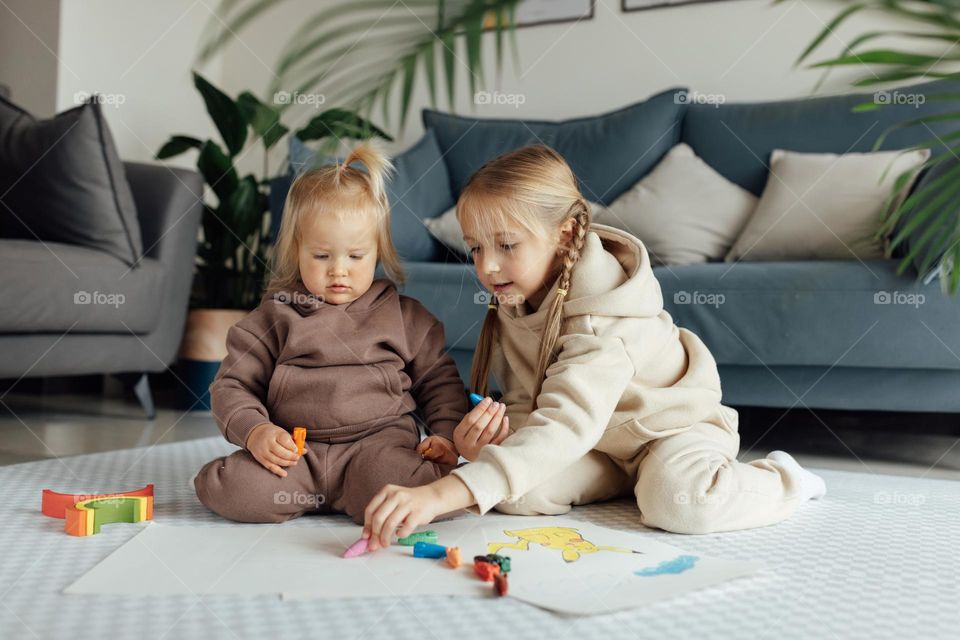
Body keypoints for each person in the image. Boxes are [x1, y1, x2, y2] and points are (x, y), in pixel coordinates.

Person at [362, 143, 825, 547]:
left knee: (682, 506)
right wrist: (490, 444)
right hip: (602, 443)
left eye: (505, 245)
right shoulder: (517, 298)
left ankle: (785, 478)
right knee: (516, 494)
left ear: (563, 235)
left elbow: (564, 424)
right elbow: (532, 404)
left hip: (669, 428)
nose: (487, 267)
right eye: (476, 248)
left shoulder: (604, 320)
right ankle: (634, 482)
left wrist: (443, 492)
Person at [194, 142, 468, 525]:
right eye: (322, 256)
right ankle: (311, 492)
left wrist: (445, 436)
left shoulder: (405, 318)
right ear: (296, 250)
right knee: (232, 490)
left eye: (356, 256)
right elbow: (232, 386)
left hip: (378, 447)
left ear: (378, 251)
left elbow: (441, 384)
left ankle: (365, 490)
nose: (339, 270)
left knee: (424, 493)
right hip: (296, 452)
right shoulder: (273, 316)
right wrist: (256, 431)